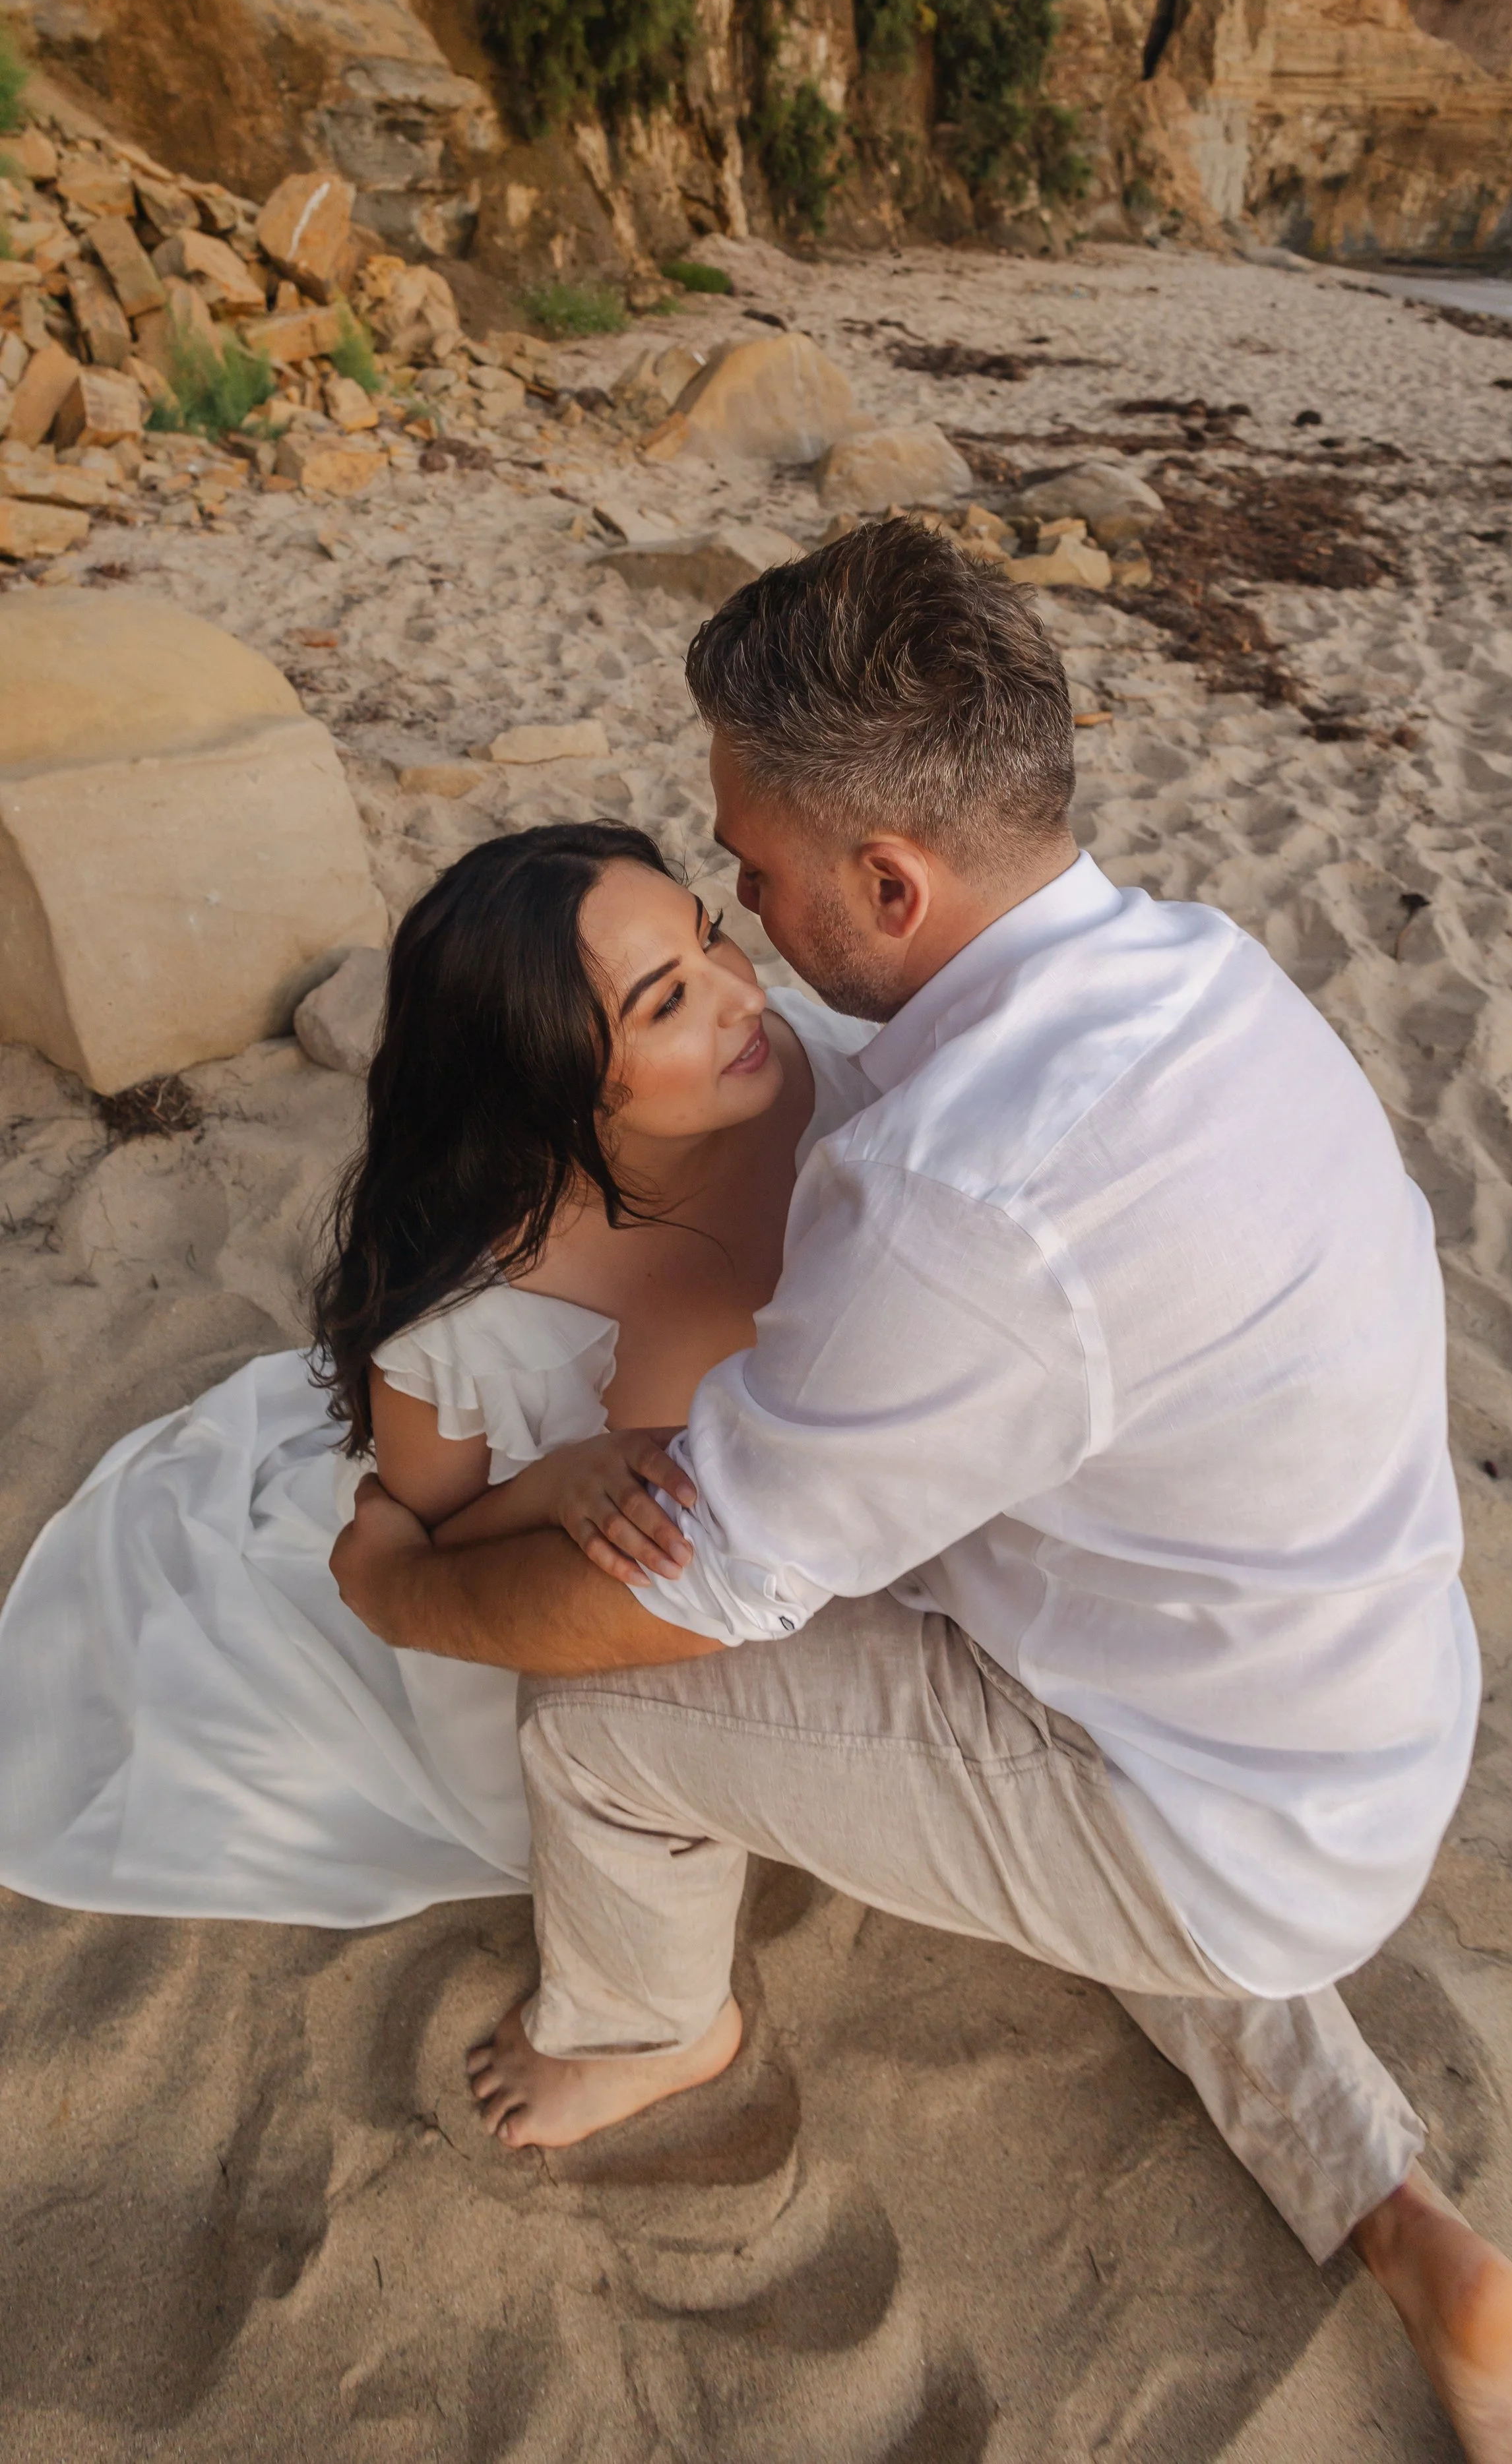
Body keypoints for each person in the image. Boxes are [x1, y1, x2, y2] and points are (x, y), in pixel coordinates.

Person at [334, 521, 1512, 2464]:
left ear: (888, 875)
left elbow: (690, 1590)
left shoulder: (958, 1201)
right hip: (1348, 1711)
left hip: (1205, 1795)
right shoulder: (1191, 964)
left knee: (601, 1714)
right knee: (1120, 1836)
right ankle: (1401, 2213)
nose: (745, 920)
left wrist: (408, 1586)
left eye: (749, 875)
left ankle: (649, 2025)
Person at [0, 821, 875, 1924]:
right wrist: (557, 1485)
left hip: (823, 1548)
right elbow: (418, 1537)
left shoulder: (814, 1064)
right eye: (666, 1003)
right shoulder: (469, 1303)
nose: (745, 998)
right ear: (545, 1080)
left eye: (712, 941)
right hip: (588, 1607)